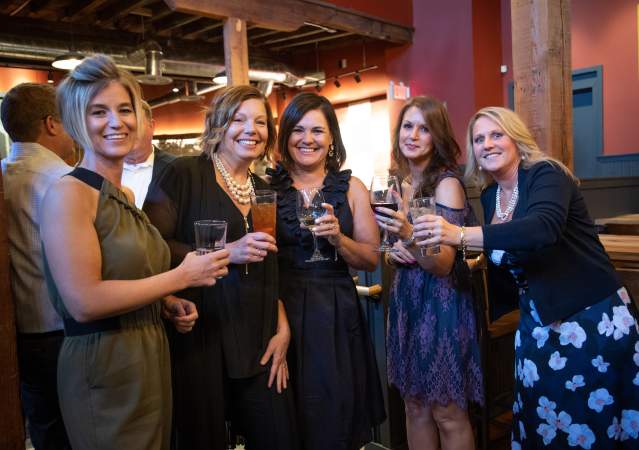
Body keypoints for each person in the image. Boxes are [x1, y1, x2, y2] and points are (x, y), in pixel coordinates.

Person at [40, 54, 230, 450]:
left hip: (149, 354)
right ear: (76, 121)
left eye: (125, 109)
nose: (117, 121)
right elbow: (84, 301)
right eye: (99, 112)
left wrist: (165, 301)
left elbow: (128, 276)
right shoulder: (69, 193)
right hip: (105, 364)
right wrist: (181, 277)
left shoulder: (123, 194)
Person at [421, 106, 639, 449]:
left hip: (588, 321)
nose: (487, 144)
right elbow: (501, 249)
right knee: (543, 423)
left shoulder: (546, 174)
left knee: (587, 424)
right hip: (537, 327)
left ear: (516, 139)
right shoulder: (492, 194)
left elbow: (541, 229)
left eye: (496, 135)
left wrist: (459, 235)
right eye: (478, 139)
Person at [144, 85, 298, 450]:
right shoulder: (183, 174)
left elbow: (270, 268)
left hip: (260, 337)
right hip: (201, 335)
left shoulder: (262, 189)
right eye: (239, 119)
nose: (251, 129)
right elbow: (153, 248)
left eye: (261, 122)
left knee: (279, 436)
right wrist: (228, 251)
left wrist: (283, 326)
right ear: (218, 125)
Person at [268, 92, 386, 450]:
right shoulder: (266, 190)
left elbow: (369, 259)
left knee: (336, 420)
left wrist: (338, 240)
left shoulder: (352, 188)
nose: (308, 139)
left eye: (317, 131)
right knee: (288, 421)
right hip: (282, 312)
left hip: (336, 314)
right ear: (286, 135)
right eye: (298, 130)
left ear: (332, 137)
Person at [375, 96, 483, 450]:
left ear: (436, 137)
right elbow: (395, 253)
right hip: (407, 301)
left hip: (443, 304)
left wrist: (407, 234)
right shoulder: (398, 185)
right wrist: (394, 252)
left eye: (424, 128)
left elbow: (442, 264)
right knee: (414, 405)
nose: (414, 135)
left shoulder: (446, 185)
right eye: (408, 126)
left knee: (447, 412)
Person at [1, 82, 74, 450]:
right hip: (66, 332)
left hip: (20, 335)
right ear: (52, 124)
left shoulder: (3, 173)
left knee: (45, 431)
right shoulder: (64, 181)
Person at [122, 100, 175, 208]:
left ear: (152, 126)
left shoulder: (176, 168)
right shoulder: (97, 171)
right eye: (124, 124)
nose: (131, 130)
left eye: (137, 123)